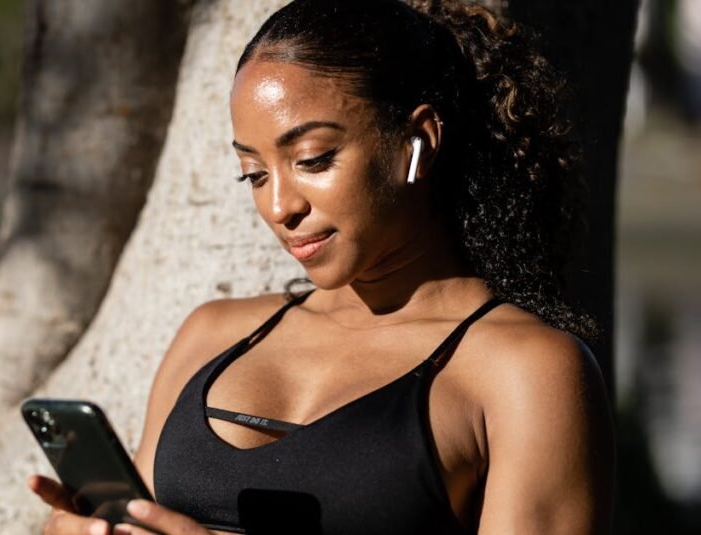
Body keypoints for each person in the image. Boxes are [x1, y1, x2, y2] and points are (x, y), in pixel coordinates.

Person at [30, 0, 614, 533]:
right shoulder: (213, 333)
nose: (280, 205)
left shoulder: (524, 371)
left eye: (313, 158)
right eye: (254, 174)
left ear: (419, 142)